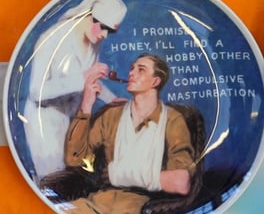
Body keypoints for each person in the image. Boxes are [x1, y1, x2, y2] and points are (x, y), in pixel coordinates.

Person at [62, 53, 196, 214]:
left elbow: (181, 182)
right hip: (95, 204)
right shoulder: (112, 116)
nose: (131, 73)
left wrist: (119, 174)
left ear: (155, 81)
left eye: (141, 70)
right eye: (132, 69)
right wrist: (86, 104)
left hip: (138, 207)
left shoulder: (173, 120)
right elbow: (74, 159)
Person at [23, 0, 127, 180]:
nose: (105, 35)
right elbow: (36, 91)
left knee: (72, 177)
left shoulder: (93, 43)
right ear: (89, 15)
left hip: (72, 121)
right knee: (53, 180)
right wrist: (84, 76)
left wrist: (111, 99)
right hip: (45, 122)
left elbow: (90, 81)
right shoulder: (52, 39)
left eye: (110, 31)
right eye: (103, 27)